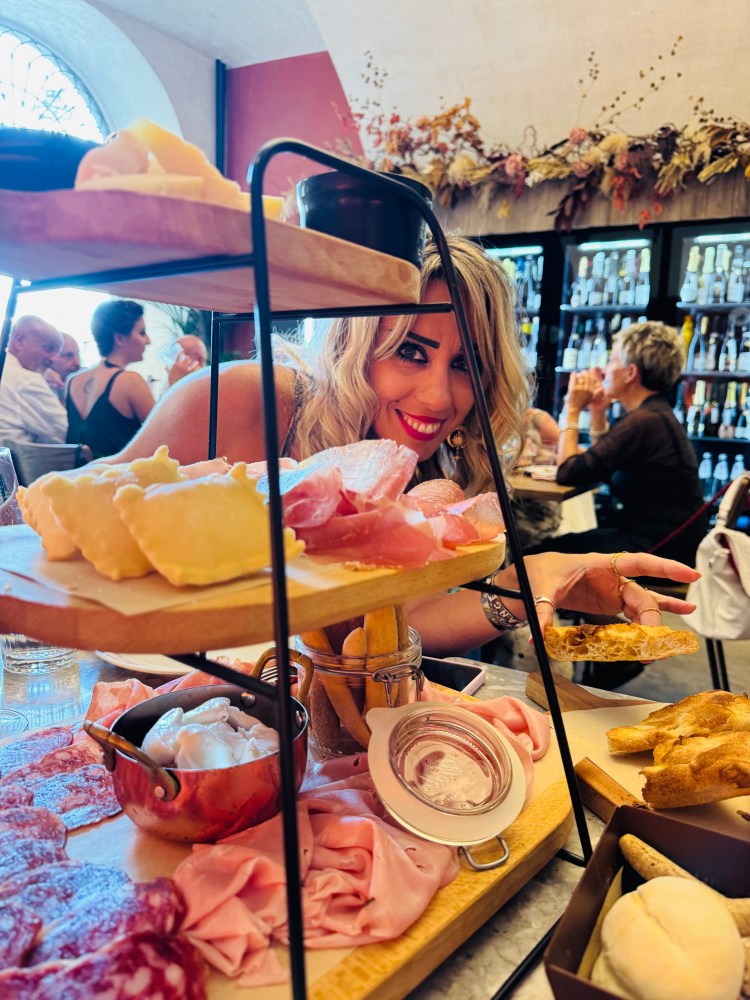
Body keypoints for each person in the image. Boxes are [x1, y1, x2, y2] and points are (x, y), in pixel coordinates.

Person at [109, 238, 698, 659]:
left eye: (465, 364)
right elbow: (59, 530)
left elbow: (406, 620)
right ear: (355, 341)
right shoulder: (249, 400)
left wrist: (531, 580)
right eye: (411, 351)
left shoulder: (435, 468)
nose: (439, 397)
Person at [530, 321, 707, 566]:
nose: (605, 369)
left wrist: (572, 409)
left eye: (613, 360)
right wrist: (598, 414)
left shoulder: (644, 421)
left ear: (630, 373)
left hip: (657, 548)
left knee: (536, 555)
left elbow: (568, 472)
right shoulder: (653, 414)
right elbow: (604, 464)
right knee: (559, 546)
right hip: (669, 542)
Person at [66, 299, 155, 459]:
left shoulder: (72, 381)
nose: (148, 341)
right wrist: (178, 385)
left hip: (76, 479)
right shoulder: (130, 381)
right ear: (120, 338)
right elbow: (163, 436)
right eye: (142, 333)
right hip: (117, 480)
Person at [0, 315, 67, 444]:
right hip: (14, 463)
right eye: (48, 348)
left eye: (57, 353)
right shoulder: (26, 380)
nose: (54, 359)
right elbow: (67, 435)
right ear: (19, 341)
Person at [45, 333, 81, 402]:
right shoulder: (39, 386)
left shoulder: (88, 379)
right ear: (51, 358)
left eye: (78, 354)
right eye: (69, 356)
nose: (77, 363)